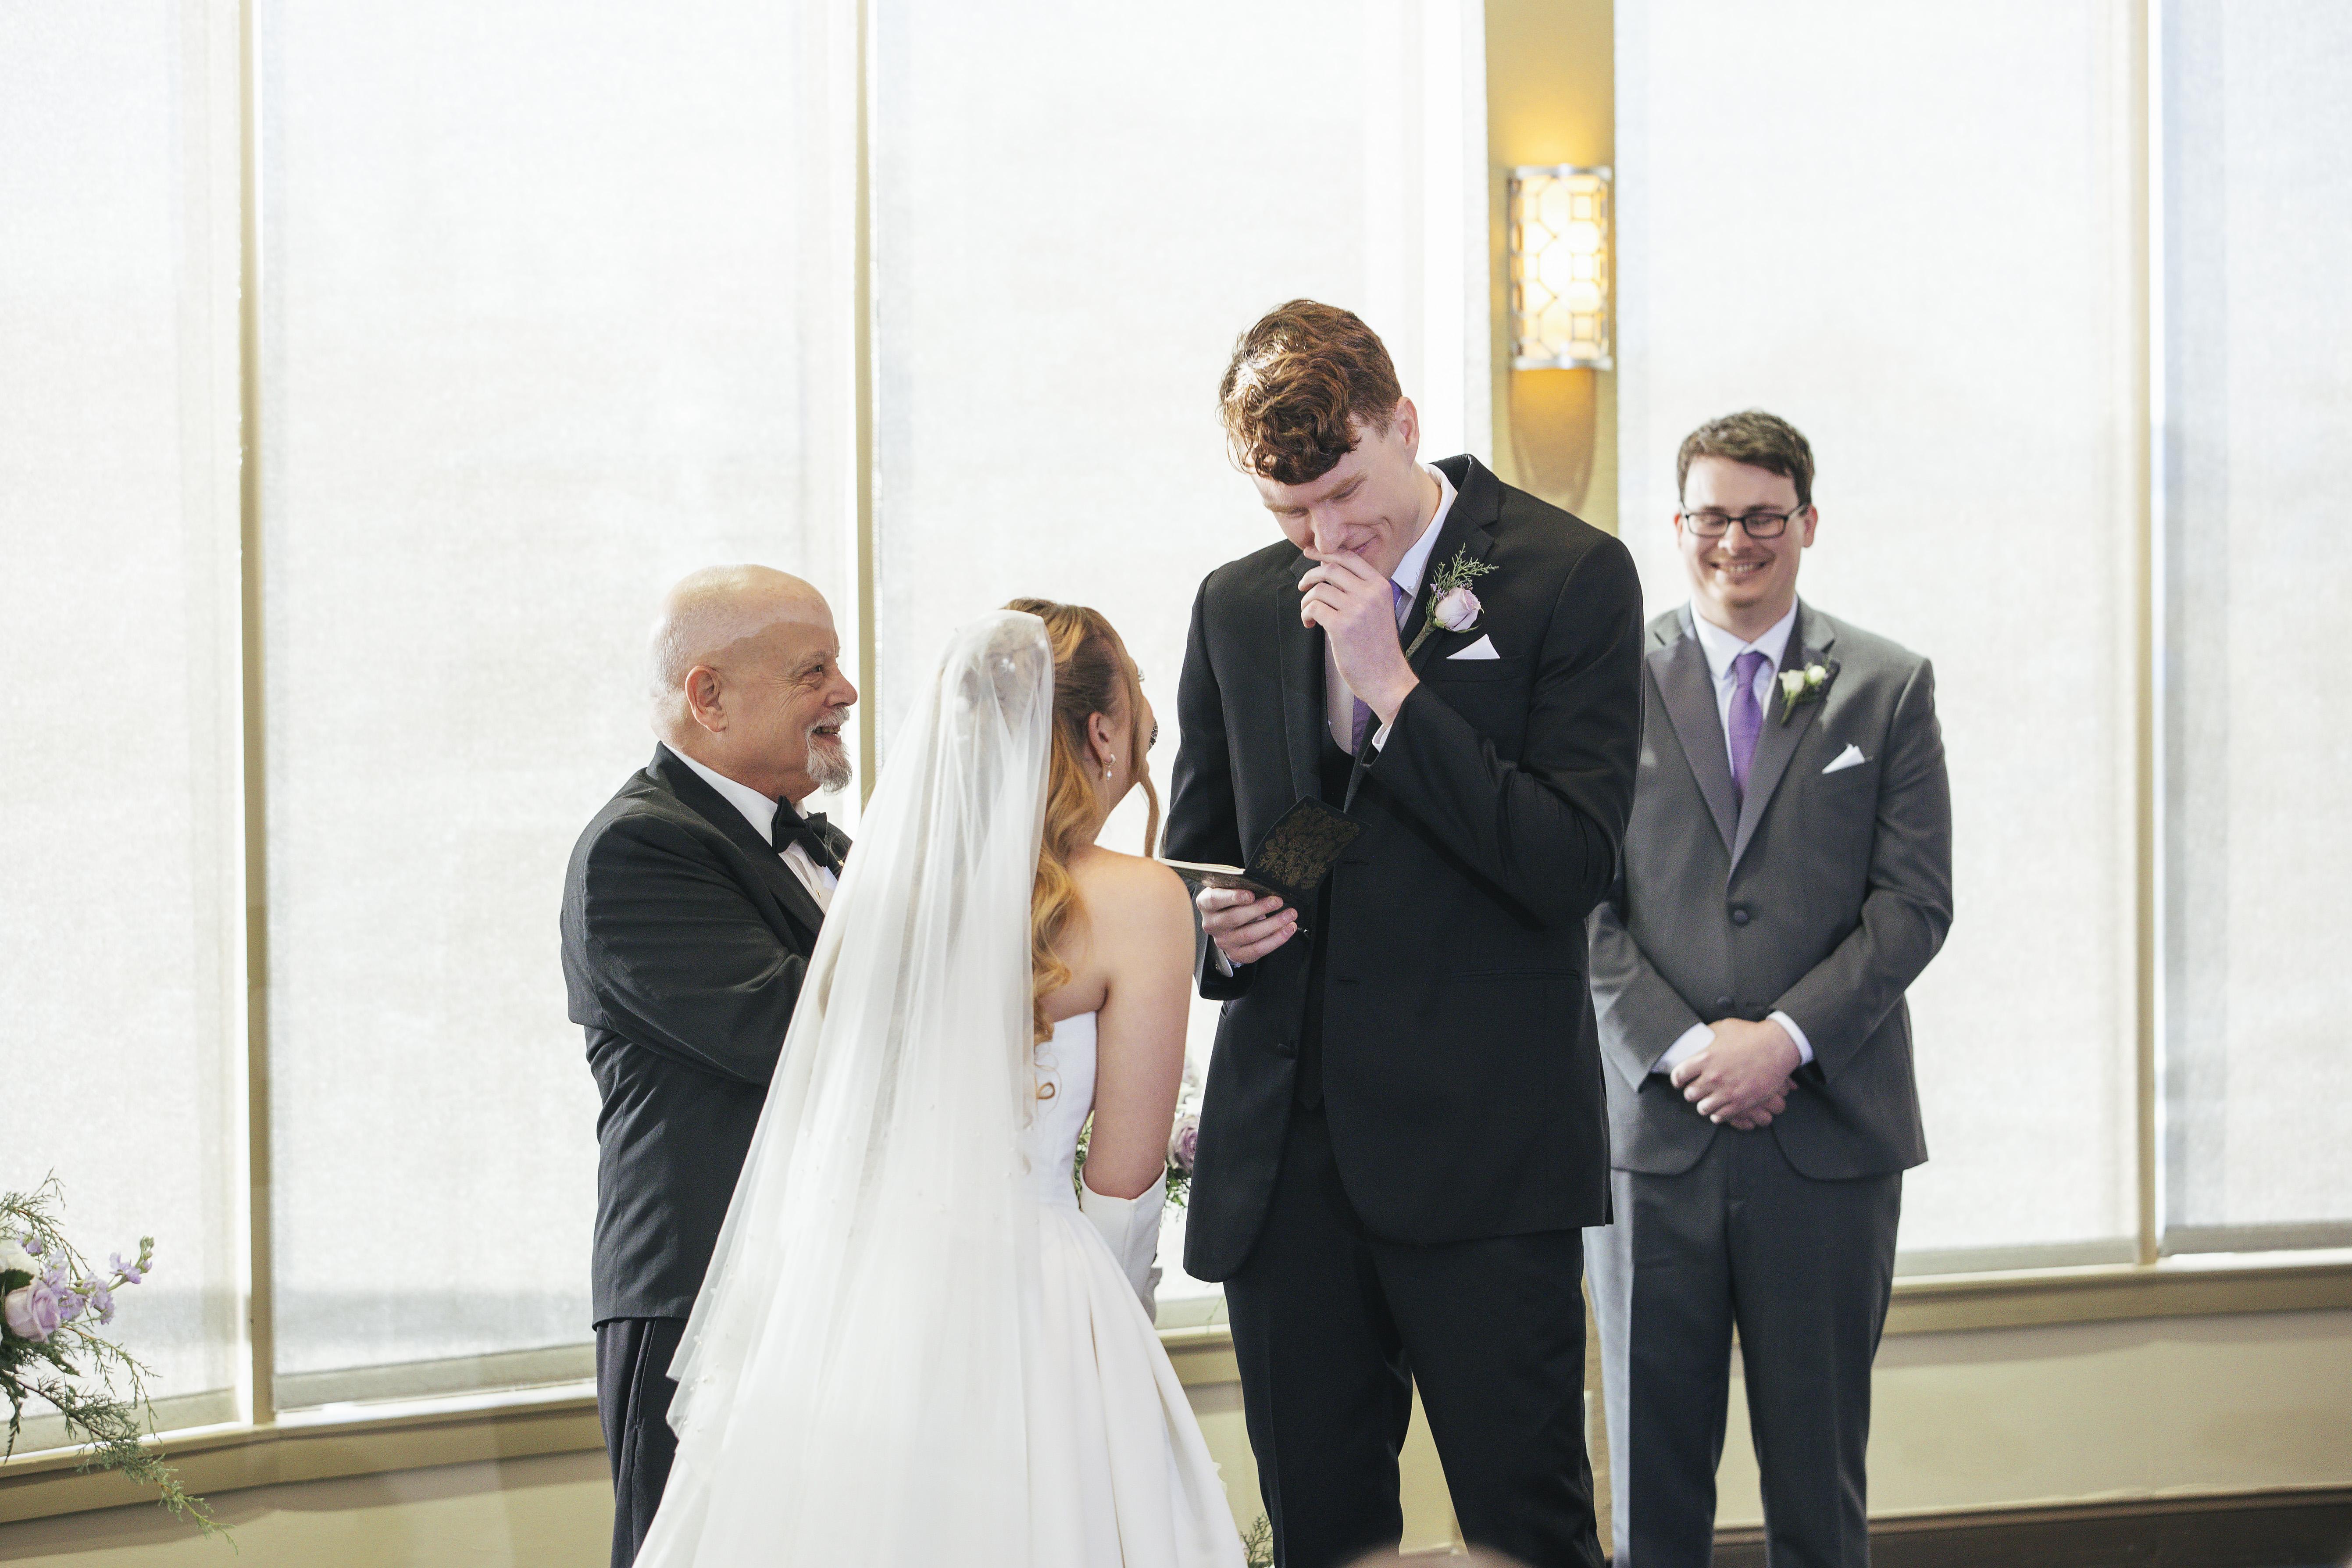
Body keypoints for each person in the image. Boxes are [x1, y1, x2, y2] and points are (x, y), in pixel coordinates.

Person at [1166, 300, 1645, 1568]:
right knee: (1321, 1534)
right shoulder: (1235, 605)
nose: (1324, 537)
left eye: (1343, 493)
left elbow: (1569, 864)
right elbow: (1212, 852)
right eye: (1290, 514)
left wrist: (1391, 684)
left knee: (1528, 1525)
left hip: (1484, 1155)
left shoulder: (1568, 574)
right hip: (1290, 1163)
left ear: (1404, 425)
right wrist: (1221, 930)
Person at [633, 604, 1245, 1568]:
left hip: (870, 1297)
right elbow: (1125, 1181)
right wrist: (1116, 1327)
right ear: (1101, 732)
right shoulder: (1139, 900)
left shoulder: (882, 892)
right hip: (1040, 1295)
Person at [1585, 411, 1952, 1568]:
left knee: (1818, 1476)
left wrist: (1784, 1038)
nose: (1734, 542)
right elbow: (1573, 903)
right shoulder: (1600, 685)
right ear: (1677, 524)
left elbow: (1914, 904)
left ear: (1807, 523)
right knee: (1651, 1486)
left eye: (1761, 518)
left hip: (1827, 1138)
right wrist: (1685, 1047)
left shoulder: (1886, 686)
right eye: (1711, 517)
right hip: (1652, 1136)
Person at [560, 564, 858, 1568]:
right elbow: (795, 1029)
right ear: (709, 695)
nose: (847, 691)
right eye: (814, 670)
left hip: (830, 1280)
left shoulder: (829, 847)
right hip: (703, 1296)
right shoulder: (639, 850)